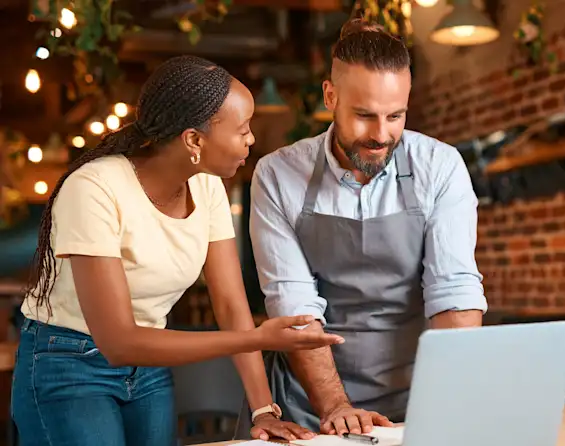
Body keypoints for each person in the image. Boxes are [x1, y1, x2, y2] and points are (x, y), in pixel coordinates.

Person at [10, 55, 344, 446]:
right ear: (194, 140)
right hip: (68, 360)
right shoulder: (93, 189)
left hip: (148, 367)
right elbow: (118, 342)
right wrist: (258, 339)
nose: (252, 139)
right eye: (242, 129)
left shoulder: (206, 188)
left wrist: (263, 410)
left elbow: (232, 305)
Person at [249, 19, 488, 436]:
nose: (381, 135)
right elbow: (295, 307)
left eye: (396, 116)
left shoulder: (441, 165)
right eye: (364, 116)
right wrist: (337, 406)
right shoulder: (278, 174)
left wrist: (449, 398)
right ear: (330, 96)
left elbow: (454, 292)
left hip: (420, 394)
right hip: (313, 406)